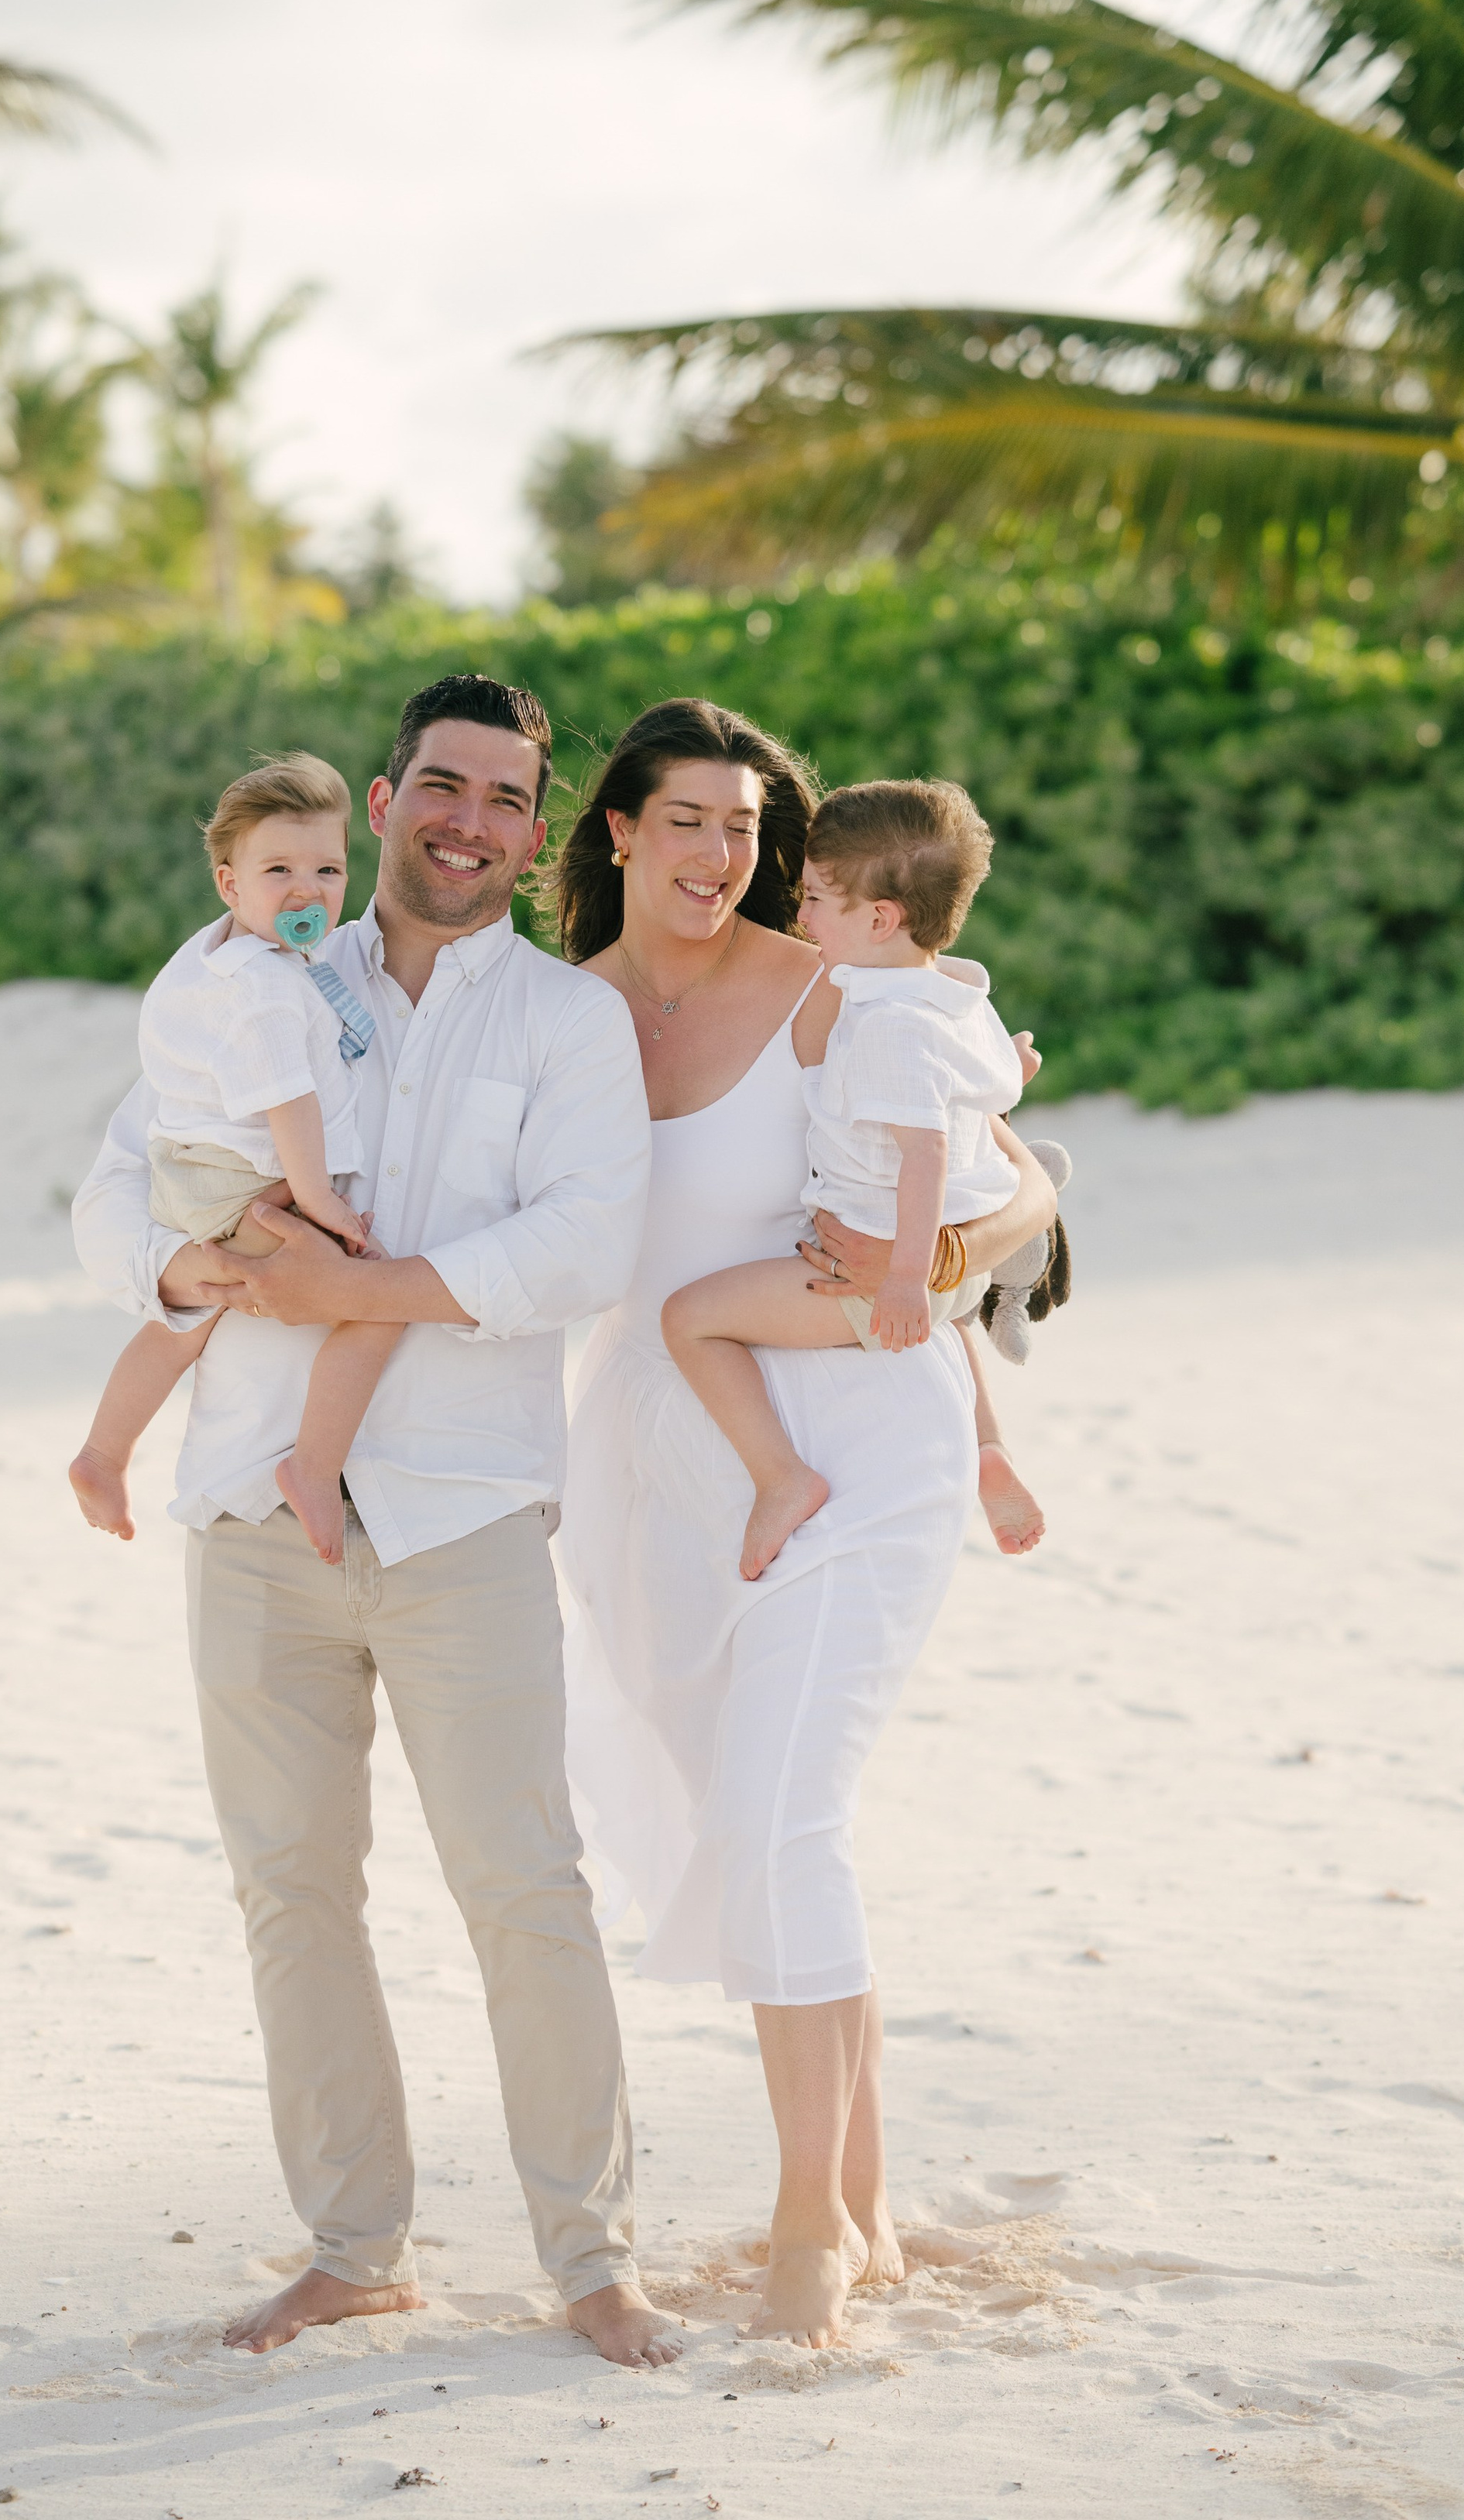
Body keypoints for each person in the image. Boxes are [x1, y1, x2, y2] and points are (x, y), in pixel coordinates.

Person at [70, 672, 680, 2371]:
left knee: (524, 1889)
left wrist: (362, 1289)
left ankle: (591, 2256)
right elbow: (116, 1181)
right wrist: (194, 1269)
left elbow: (582, 1248)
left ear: (534, 831)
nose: (464, 821)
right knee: (291, 1892)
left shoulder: (568, 1026)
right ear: (388, 791)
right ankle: (356, 2247)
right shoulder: (261, 964)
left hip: (464, 1515)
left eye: (502, 798)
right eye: (439, 785)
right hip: (248, 1504)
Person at [549, 699, 1058, 2354]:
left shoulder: (839, 989)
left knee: (781, 1818)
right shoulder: (549, 1021)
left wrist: (947, 1263)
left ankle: (804, 2225)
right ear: (616, 830)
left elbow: (1009, 1187)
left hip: (847, 1445)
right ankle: (868, 2195)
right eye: (684, 820)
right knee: (774, 1833)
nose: (720, 855)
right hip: (657, 1473)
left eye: (746, 827)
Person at [662, 775, 1033, 1579]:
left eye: (818, 899)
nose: (802, 916)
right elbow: (1001, 1075)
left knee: (689, 1320)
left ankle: (781, 1477)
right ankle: (989, 1445)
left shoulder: (887, 1026)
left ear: (878, 919)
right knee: (956, 1318)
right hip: (953, 1272)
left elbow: (926, 1152)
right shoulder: (956, 989)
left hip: (875, 1271)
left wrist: (902, 1281)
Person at [67, 753, 399, 1563]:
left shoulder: (221, 958)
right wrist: (320, 1203)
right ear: (229, 884)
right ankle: (314, 1469)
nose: (307, 891)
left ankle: (102, 1453)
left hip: (192, 1174)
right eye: (278, 869)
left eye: (328, 868)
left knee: (182, 1327)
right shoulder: (269, 992)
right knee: (379, 1302)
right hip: (244, 1183)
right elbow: (289, 1099)